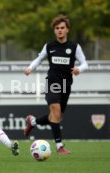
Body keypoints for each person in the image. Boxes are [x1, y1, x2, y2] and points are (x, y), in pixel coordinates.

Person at [24, 15, 88, 154]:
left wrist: (79, 69)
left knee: (56, 117)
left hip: (66, 85)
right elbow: (39, 59)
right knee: (56, 112)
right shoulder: (49, 46)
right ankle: (59, 146)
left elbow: (85, 63)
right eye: (57, 28)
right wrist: (30, 68)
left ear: (67, 30)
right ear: (54, 31)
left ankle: (33, 122)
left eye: (62, 28)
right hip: (52, 83)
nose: (60, 30)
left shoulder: (74, 47)